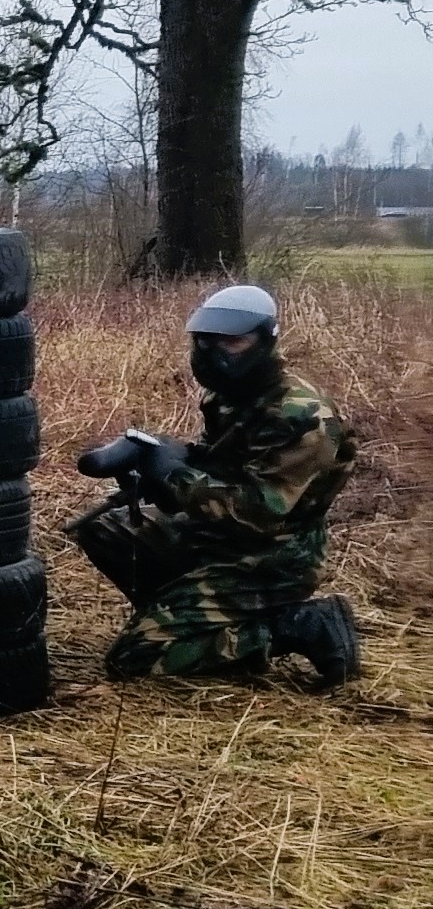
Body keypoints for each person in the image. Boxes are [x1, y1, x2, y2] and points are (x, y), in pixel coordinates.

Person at [68, 284, 361, 688]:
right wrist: (156, 459)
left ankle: (296, 626)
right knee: (106, 528)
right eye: (206, 341)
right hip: (221, 537)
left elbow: (261, 512)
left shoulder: (302, 415)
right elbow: (220, 464)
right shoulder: (229, 397)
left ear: (265, 340)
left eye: (233, 342)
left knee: (135, 658)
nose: (214, 352)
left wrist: (174, 475)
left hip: (272, 558)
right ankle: (187, 617)